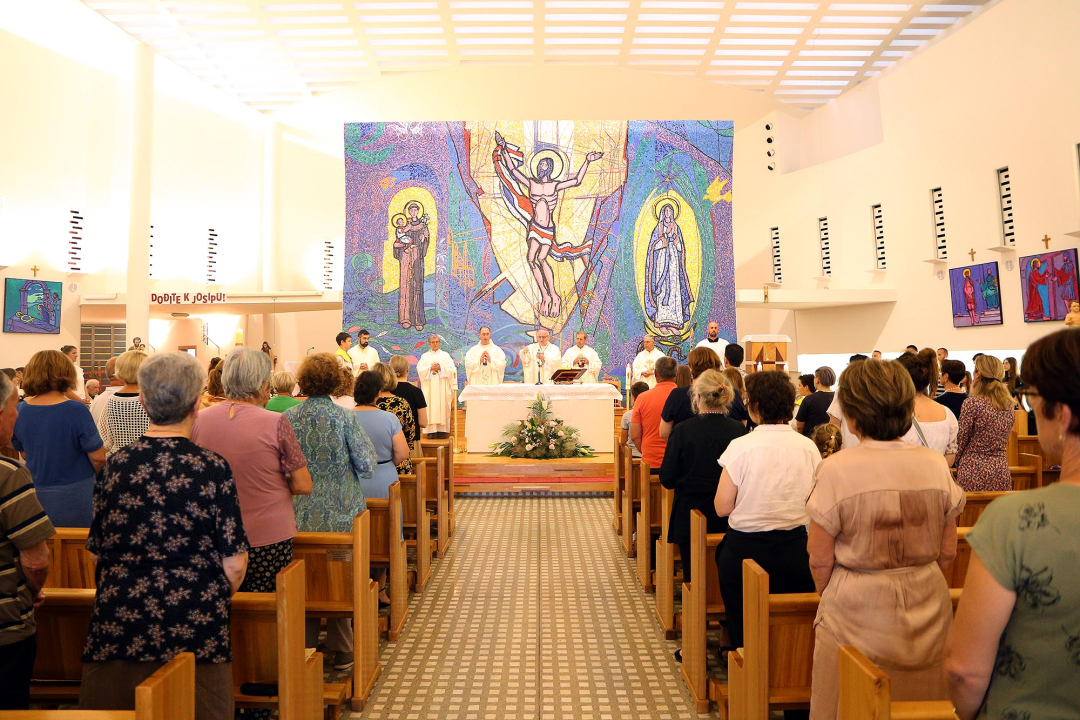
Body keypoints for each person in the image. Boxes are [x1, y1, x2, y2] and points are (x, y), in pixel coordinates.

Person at [78, 352, 249, 720]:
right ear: (196, 404)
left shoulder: (116, 466)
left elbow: (95, 553)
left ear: (142, 401)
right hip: (196, 623)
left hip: (121, 621)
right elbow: (234, 564)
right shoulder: (212, 468)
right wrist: (206, 595)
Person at [806, 359, 964, 719]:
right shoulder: (935, 464)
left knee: (850, 705)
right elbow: (948, 552)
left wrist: (836, 593)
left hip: (857, 605)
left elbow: (819, 559)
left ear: (853, 412)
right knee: (923, 707)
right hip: (927, 601)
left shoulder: (835, 469)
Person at [946, 328, 1080, 720]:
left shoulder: (1016, 522)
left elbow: (964, 672)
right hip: (998, 469)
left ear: (1063, 414)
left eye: (1034, 400)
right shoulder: (1004, 405)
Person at [191, 348, 312, 609]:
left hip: (214, 533)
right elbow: (303, 484)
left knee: (221, 608)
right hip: (267, 534)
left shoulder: (197, 420)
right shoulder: (276, 422)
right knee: (268, 610)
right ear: (260, 384)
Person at [713, 370, 818, 665]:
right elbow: (815, 501)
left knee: (745, 626)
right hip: (796, 550)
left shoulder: (741, 447)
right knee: (791, 630)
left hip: (745, 552)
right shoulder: (808, 447)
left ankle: (747, 679)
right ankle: (789, 683)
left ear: (754, 407)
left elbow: (722, 507)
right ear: (789, 407)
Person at [284, 353, 376, 671]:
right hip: (340, 513)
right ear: (337, 381)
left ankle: (306, 648)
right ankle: (343, 648)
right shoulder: (346, 417)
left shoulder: (289, 418)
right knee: (339, 578)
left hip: (299, 513)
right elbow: (366, 466)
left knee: (304, 579)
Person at [0, 372, 55, 711]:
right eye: (12, 406)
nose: (17, 414)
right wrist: (33, 590)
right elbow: (35, 560)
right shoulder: (8, 474)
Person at [661, 370, 745, 585]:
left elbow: (667, 478)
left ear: (697, 398)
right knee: (727, 577)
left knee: (694, 574)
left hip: (689, 512)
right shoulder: (739, 431)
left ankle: (694, 611)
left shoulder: (682, 430)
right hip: (729, 514)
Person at [10, 350, 104, 527]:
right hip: (76, 492)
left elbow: (24, 453)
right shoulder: (76, 410)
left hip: (35, 490)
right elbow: (98, 458)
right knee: (76, 549)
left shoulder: (20, 410)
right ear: (66, 373)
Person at [955, 355, 1015, 491]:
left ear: (978, 374)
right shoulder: (1009, 405)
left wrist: (957, 463)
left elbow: (961, 439)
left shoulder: (972, 403)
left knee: (971, 512)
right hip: (1000, 469)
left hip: (973, 469)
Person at [353, 371, 410, 501]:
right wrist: (387, 464)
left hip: (355, 477)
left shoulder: (345, 417)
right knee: (389, 518)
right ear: (378, 393)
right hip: (384, 476)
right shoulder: (389, 419)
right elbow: (402, 453)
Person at [897, 349, 958, 465]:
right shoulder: (947, 413)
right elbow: (949, 459)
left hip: (900, 480)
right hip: (935, 480)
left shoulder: (893, 412)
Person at [659, 346, 722, 439]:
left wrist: (679, 447)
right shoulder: (729, 393)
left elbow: (664, 433)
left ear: (691, 369)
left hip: (686, 450)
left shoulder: (678, 395)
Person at [629, 356, 678, 476]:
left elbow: (635, 435)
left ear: (655, 373)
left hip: (651, 462)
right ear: (677, 374)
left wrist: (646, 452)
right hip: (678, 462)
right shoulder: (686, 397)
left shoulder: (642, 398)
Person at [96, 350, 150, 456]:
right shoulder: (152, 400)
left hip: (118, 462)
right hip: (148, 460)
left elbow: (103, 440)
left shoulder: (111, 401)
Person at [373, 362, 415, 474]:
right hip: (399, 464)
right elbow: (410, 436)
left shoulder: (367, 405)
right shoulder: (402, 404)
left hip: (371, 464)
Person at [827, 354, 871, 450]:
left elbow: (834, 423)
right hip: (873, 449)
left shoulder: (844, 390)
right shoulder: (876, 391)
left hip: (848, 448)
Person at [417, 335, 457, 437]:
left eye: (437, 342)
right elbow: (420, 369)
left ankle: (442, 431)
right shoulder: (424, 356)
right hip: (430, 388)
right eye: (432, 342)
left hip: (442, 387)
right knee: (430, 407)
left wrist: (441, 368)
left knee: (442, 406)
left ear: (439, 342)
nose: (435, 344)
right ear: (429, 343)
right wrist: (430, 368)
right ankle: (431, 432)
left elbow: (452, 369)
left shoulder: (445, 355)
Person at [389, 355, 428, 434]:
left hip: (390, 439)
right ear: (407, 369)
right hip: (412, 439)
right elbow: (423, 423)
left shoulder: (385, 391)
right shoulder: (416, 392)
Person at [796, 366, 835, 439]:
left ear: (817, 380)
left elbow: (799, 425)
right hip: (832, 439)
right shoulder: (838, 398)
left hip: (812, 440)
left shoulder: (809, 399)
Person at [620, 382, 650, 458]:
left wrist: (627, 458)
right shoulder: (653, 412)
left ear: (633, 397)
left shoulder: (627, 415)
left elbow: (623, 442)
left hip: (633, 454)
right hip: (650, 454)